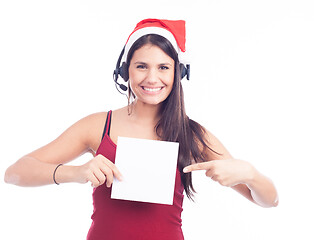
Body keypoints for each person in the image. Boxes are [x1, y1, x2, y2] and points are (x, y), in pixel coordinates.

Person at [4, 18, 278, 239]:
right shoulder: (98, 125)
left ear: (178, 73)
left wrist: (250, 174)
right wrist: (76, 172)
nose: (152, 78)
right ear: (126, 71)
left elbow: (269, 201)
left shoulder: (193, 135)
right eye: (141, 66)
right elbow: (14, 173)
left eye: (163, 67)